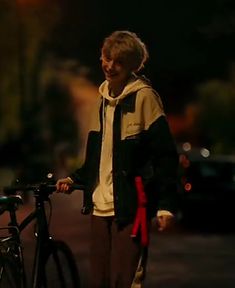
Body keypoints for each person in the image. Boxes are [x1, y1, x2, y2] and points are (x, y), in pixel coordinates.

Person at [56, 30, 179, 288]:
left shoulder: (144, 97)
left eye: (119, 62)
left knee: (124, 280)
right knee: (99, 280)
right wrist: (74, 178)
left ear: (132, 65)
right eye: (106, 58)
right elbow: (97, 159)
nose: (110, 66)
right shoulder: (101, 100)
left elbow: (165, 156)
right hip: (100, 207)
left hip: (133, 206)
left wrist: (165, 204)